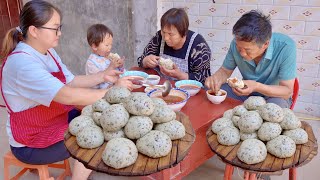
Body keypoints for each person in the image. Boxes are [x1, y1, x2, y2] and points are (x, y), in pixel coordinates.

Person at [0, 1, 132, 180]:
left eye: (59, 27)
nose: (60, 33)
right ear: (34, 31)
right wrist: (113, 91)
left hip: (54, 119)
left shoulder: (48, 51)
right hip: (31, 141)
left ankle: (85, 169)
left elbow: (71, 81)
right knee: (93, 138)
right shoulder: (22, 64)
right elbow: (66, 95)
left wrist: (103, 75)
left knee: (98, 118)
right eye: (55, 28)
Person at [205, 10, 296, 108]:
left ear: (265, 44)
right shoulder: (236, 43)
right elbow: (225, 71)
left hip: (274, 96)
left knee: (273, 112)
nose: (242, 53)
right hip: (245, 93)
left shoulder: (286, 46)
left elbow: (287, 91)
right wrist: (215, 79)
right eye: (239, 48)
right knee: (211, 94)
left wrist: (256, 86)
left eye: (247, 50)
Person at [137, 8, 211, 84]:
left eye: (170, 34)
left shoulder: (198, 46)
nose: (165, 38)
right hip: (160, 86)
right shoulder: (159, 37)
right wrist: (145, 61)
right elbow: (141, 61)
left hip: (186, 89)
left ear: (184, 32)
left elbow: (204, 79)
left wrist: (180, 75)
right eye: (163, 32)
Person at [86, 24, 125, 89]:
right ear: (95, 46)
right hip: (101, 93)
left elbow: (118, 72)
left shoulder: (108, 56)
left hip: (117, 87)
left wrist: (120, 65)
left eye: (111, 44)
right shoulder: (91, 63)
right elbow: (97, 80)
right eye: (107, 45)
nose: (109, 48)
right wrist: (111, 67)